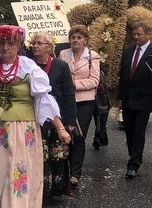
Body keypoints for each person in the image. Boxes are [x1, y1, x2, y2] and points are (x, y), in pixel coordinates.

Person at [0, 25, 71, 207]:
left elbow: (44, 99)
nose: (5, 48)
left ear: (19, 45)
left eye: (11, 43)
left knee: (13, 175)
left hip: (20, 131)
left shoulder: (29, 67)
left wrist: (61, 128)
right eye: (1, 43)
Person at [117, 21, 152, 179]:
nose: (136, 37)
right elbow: (123, 76)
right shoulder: (127, 51)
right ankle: (133, 154)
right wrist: (119, 98)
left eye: (139, 34)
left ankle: (134, 163)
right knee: (130, 131)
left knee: (139, 131)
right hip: (128, 98)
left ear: (148, 34)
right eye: (134, 34)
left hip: (144, 98)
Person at [30, 32, 77, 200]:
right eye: (34, 43)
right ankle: (40, 190)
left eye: (39, 43)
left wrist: (70, 121)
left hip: (57, 119)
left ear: (49, 47)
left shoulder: (60, 65)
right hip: (35, 119)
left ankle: (57, 189)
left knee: (57, 156)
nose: (35, 46)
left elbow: (68, 94)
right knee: (39, 156)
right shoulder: (29, 65)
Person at [58, 25, 100, 187]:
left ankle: (75, 173)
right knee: (66, 133)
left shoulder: (92, 56)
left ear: (85, 40)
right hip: (66, 101)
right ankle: (64, 168)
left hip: (85, 101)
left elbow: (94, 80)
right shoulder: (63, 54)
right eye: (73, 37)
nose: (76, 40)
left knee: (79, 135)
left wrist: (73, 84)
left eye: (79, 38)